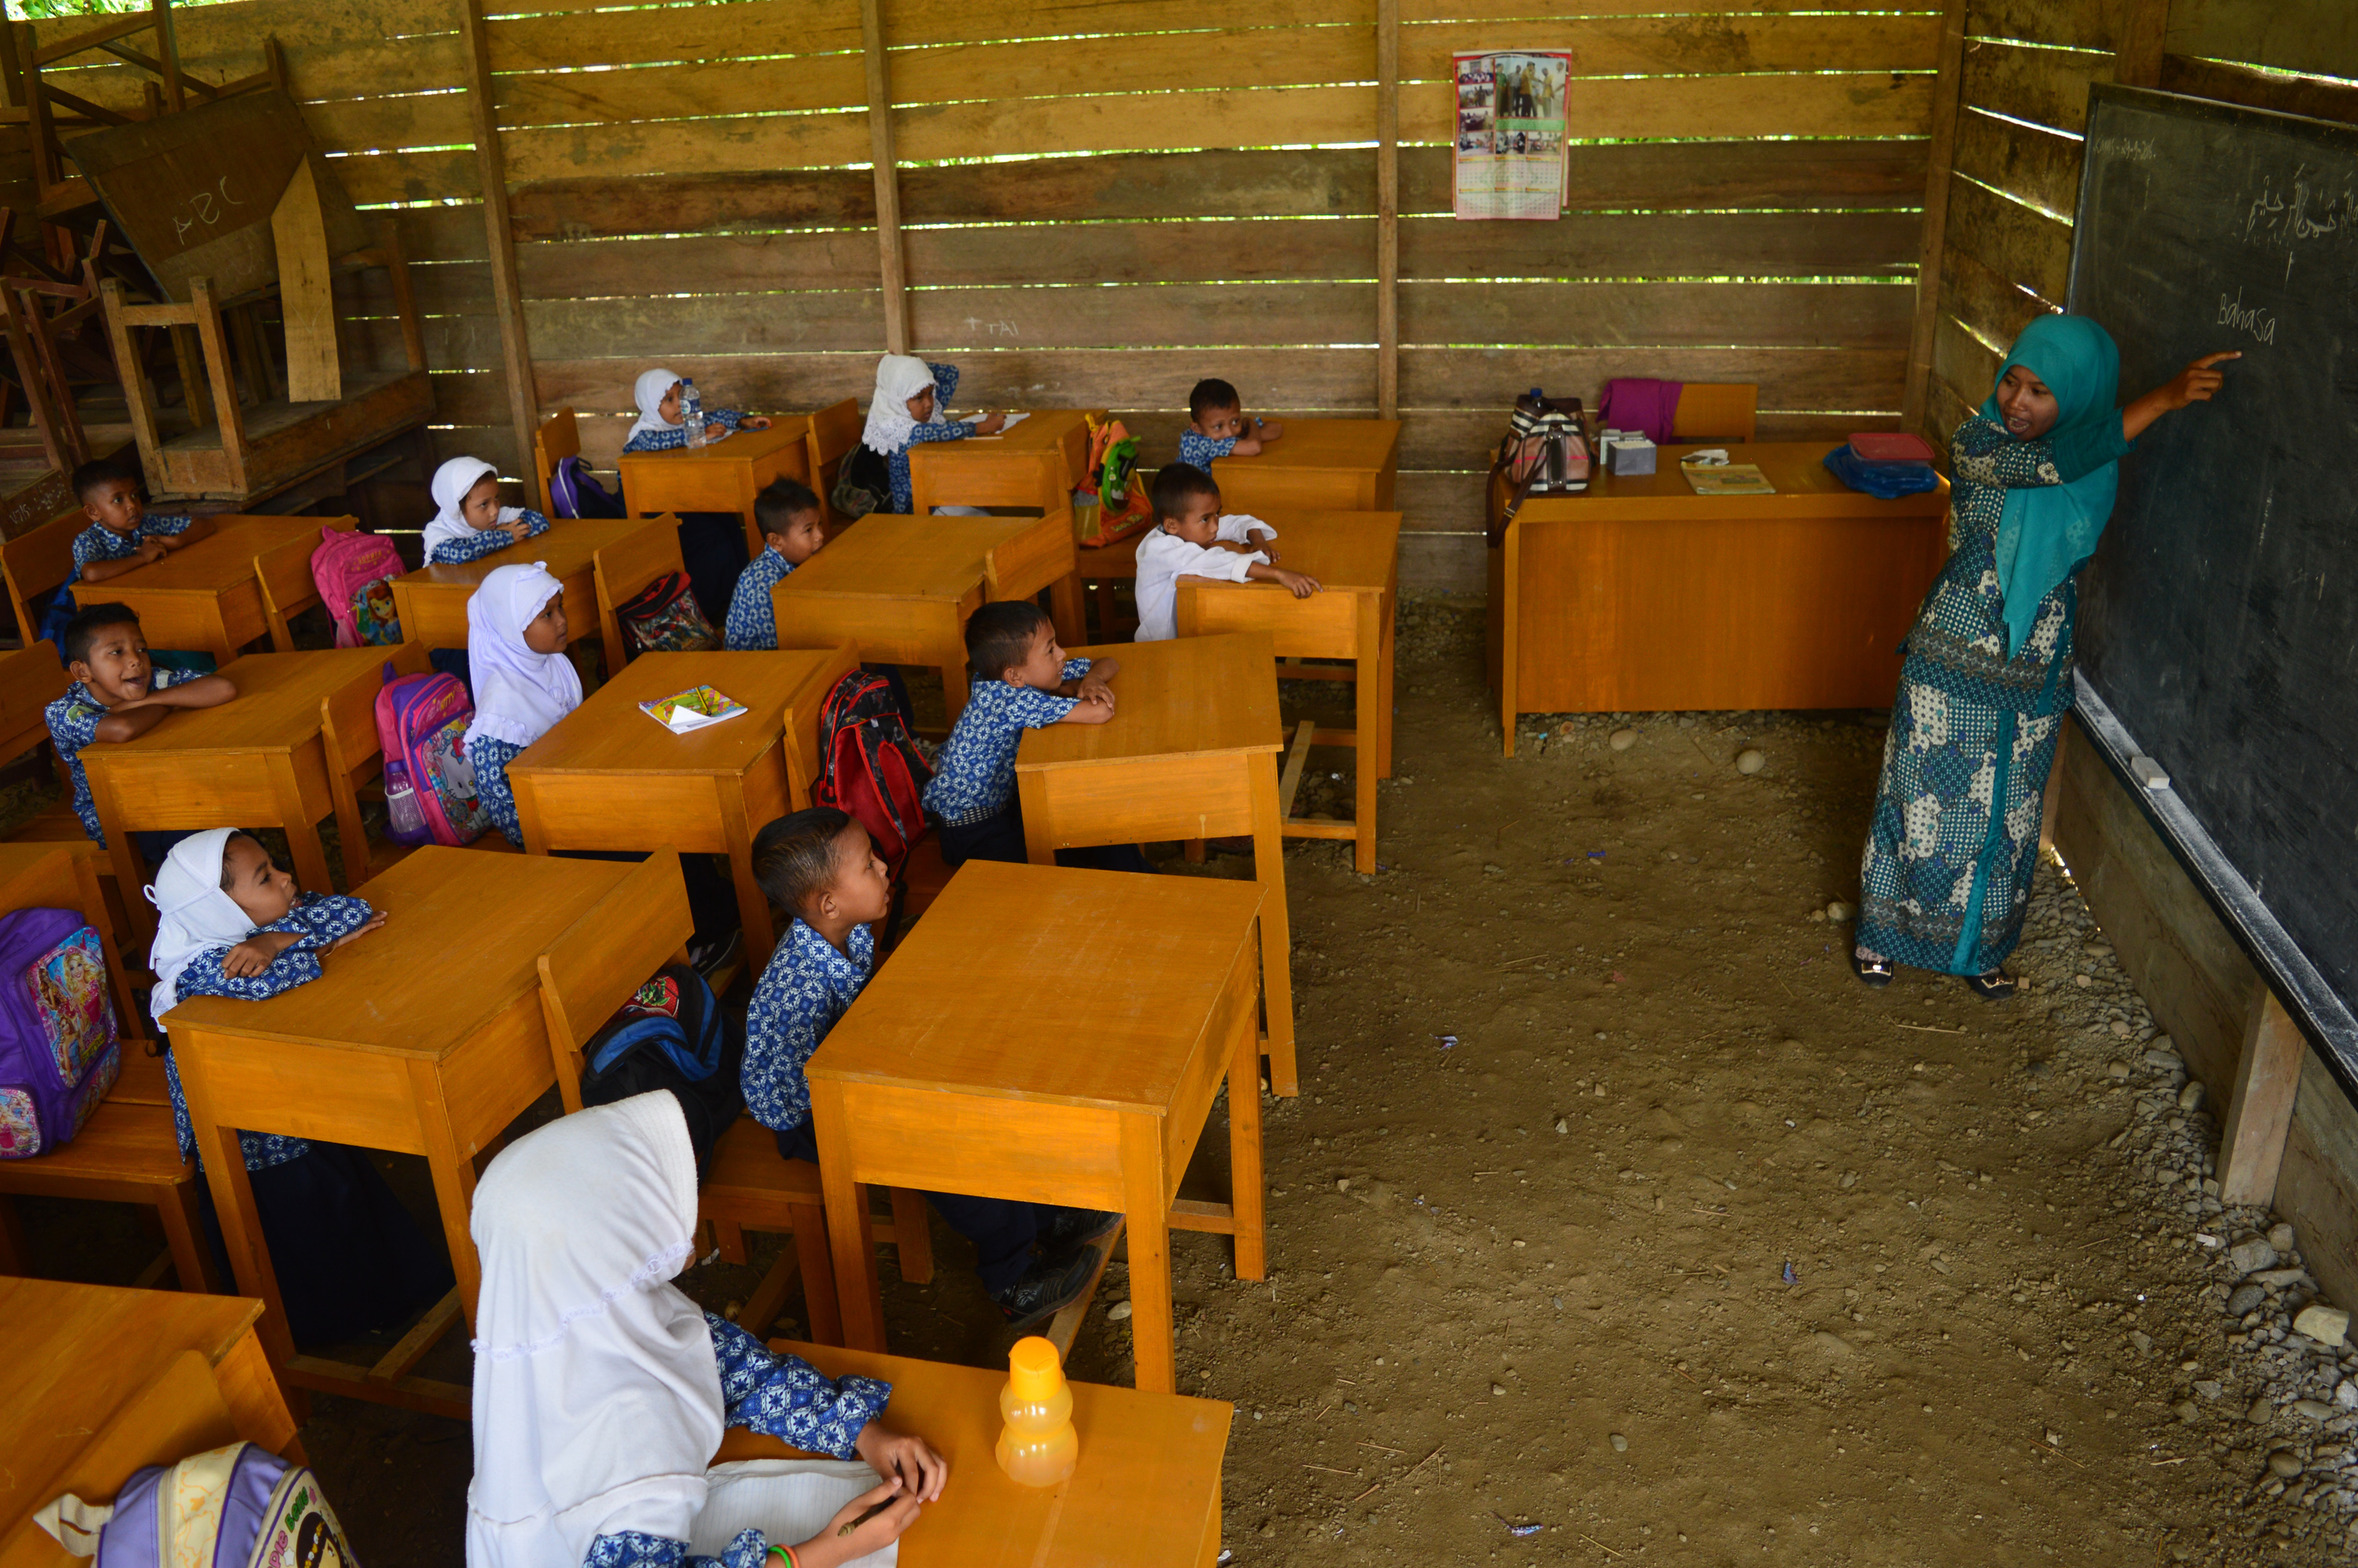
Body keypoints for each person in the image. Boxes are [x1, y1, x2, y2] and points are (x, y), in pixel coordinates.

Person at [1852, 316, 2237, 995]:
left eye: (2040, 393)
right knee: (1921, 800)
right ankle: (1883, 934)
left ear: (2077, 396)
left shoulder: (2095, 469)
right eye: (2013, 384)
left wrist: (2150, 410)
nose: (2018, 403)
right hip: (1954, 654)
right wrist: (2162, 401)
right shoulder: (1980, 443)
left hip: (2033, 659)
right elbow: (2050, 463)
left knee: (2012, 810)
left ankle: (1981, 948)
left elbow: (2082, 459)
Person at [466, 1089, 945, 1568]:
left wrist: (863, 1432)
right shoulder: (623, 1442)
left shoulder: (574, 1318)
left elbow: (740, 1370)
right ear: (608, 1239)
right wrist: (821, 1552)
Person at [740, 809, 1118, 1329]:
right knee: (942, 1140)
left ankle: (1043, 1216)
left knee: (974, 1083)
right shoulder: (799, 981)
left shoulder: (843, 930)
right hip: (807, 1114)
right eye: (868, 866)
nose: (883, 865)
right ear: (829, 902)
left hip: (849, 1066)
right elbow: (821, 1083)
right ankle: (1011, 1278)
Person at [146, 828, 453, 1346]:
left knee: (341, 1184)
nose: (286, 878)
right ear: (216, 908)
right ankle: (337, 1326)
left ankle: (386, 1294)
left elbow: (351, 909)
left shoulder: (254, 930)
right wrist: (297, 942)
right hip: (246, 1134)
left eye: (275, 865)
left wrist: (275, 937)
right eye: (265, 876)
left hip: (292, 1094)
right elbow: (273, 978)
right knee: (306, 1219)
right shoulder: (196, 966)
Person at [920, 602, 1151, 872]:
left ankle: (1142, 878)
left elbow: (1108, 662)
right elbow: (1100, 711)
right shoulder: (1008, 700)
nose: (1062, 653)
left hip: (1001, 811)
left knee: (1095, 824)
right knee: (1088, 844)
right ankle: (1142, 884)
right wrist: (1081, 686)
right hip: (974, 836)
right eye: (1051, 649)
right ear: (1015, 675)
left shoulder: (1005, 678)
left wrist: (1092, 679)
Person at [46, 604, 234, 850]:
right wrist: (172, 702)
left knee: (229, 819)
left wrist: (150, 700)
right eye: (117, 652)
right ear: (83, 671)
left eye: (141, 649)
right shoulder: (64, 711)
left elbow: (223, 689)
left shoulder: (152, 682)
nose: (136, 660)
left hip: (170, 788)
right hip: (117, 813)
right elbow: (122, 729)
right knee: (212, 841)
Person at [461, 562, 580, 850]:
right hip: (556, 830)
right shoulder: (501, 713)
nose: (562, 621)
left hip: (578, 792)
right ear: (510, 627)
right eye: (547, 615)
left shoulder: (553, 663)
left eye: (560, 608)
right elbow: (506, 809)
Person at [1133, 464, 1319, 643]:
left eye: (1217, 514)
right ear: (1171, 525)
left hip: (1185, 637)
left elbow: (1238, 522)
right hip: (1160, 646)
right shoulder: (1161, 550)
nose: (1215, 526)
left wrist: (1259, 543)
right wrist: (1279, 574)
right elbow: (1220, 562)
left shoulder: (1187, 527)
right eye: (1206, 519)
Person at [858, 355, 1002, 516]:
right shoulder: (904, 432)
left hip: (936, 496)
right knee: (980, 517)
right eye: (918, 398)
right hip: (918, 510)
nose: (928, 403)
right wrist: (985, 427)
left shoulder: (922, 414)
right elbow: (943, 431)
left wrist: (906, 366)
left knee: (980, 508)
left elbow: (950, 373)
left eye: (930, 393)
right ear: (898, 400)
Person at [64, 457, 208, 587]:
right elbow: (91, 573)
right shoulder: (89, 540)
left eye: (134, 495)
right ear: (93, 512)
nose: (132, 505)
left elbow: (203, 524)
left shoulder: (147, 523)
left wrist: (177, 541)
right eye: (118, 500)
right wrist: (143, 557)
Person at [723, 477, 828, 652]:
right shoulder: (763, 584)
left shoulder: (799, 559)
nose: (820, 536)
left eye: (820, 525)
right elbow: (777, 649)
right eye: (809, 530)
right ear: (776, 541)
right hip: (754, 666)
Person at [422, 457, 550, 567]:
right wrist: (505, 536)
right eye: (484, 504)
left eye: (496, 498)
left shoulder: (497, 518)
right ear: (457, 507)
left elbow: (539, 522)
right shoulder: (438, 532)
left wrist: (498, 536)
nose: (495, 510)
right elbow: (461, 553)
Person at [622, 367, 770, 454]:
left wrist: (744, 421)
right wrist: (700, 434)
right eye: (669, 399)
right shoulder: (644, 433)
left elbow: (714, 416)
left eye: (681, 395)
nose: (680, 404)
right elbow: (654, 442)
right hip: (636, 495)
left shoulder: (687, 420)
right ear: (650, 405)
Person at [1175, 378, 1282, 468]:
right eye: (1218, 426)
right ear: (1197, 428)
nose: (1230, 432)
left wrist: (1252, 436)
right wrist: (1251, 423)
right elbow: (1254, 447)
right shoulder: (1198, 445)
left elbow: (1276, 428)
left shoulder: (1221, 433)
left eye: (1235, 421)